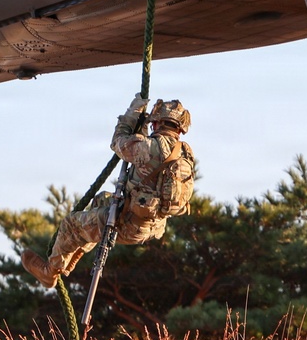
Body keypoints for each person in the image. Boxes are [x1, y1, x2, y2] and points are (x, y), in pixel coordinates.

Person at [21, 95, 195, 288]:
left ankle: (49, 272)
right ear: (180, 128)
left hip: (127, 224)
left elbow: (118, 141)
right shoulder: (185, 153)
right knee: (102, 200)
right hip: (154, 226)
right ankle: (73, 253)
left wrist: (133, 113)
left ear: (157, 122)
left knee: (70, 224)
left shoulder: (148, 147)